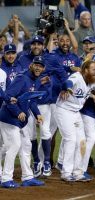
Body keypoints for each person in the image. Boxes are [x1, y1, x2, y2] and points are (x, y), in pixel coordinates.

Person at [0, 56, 49, 188]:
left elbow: (30, 100)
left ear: (43, 68)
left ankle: (27, 177)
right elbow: (8, 98)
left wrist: (38, 114)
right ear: (31, 65)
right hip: (9, 118)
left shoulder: (35, 80)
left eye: (41, 65)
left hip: (20, 121)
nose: (38, 67)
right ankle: (5, 179)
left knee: (26, 145)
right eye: (36, 64)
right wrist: (18, 112)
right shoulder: (22, 78)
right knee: (14, 146)